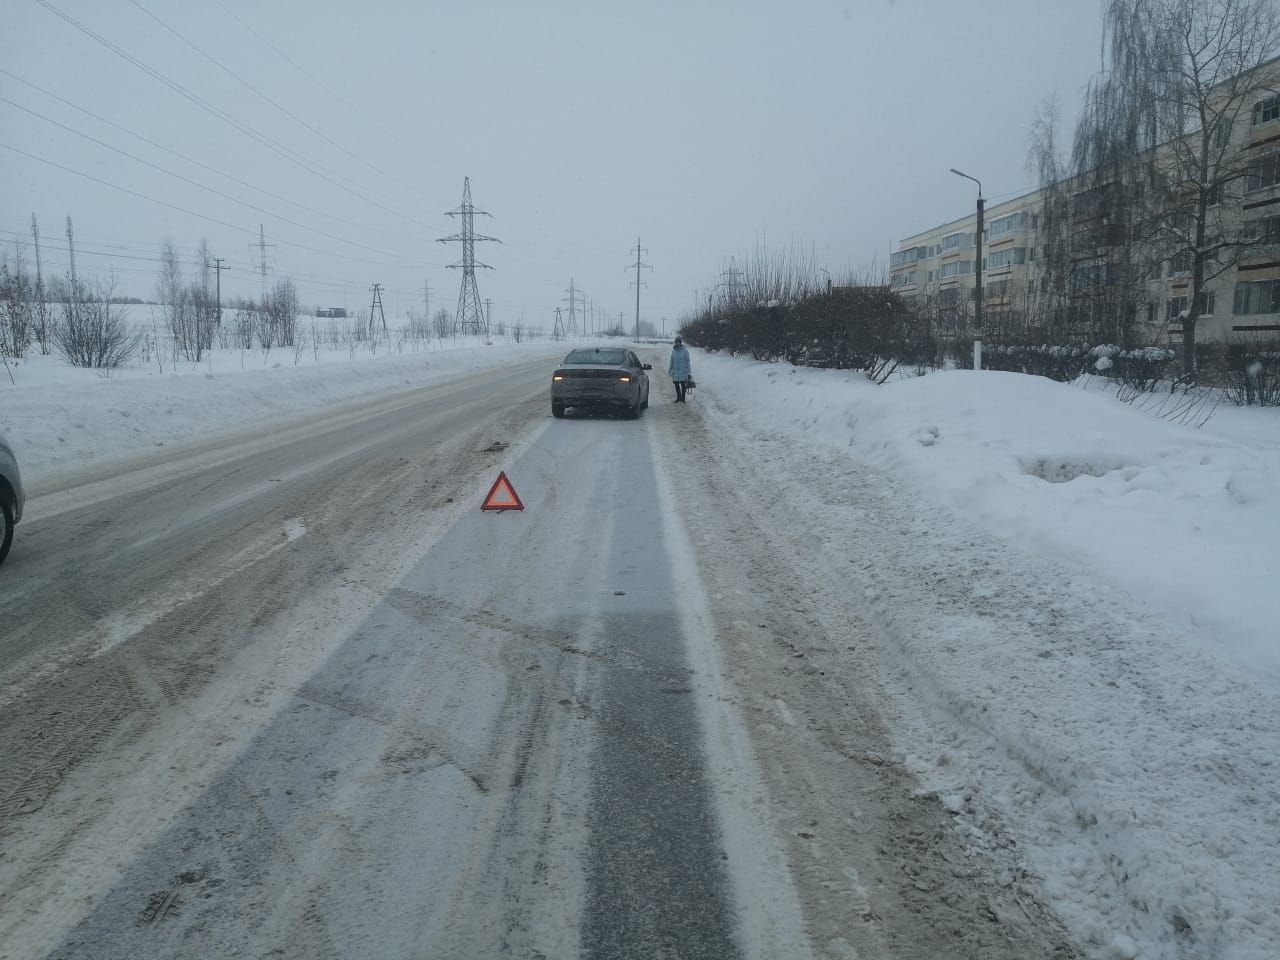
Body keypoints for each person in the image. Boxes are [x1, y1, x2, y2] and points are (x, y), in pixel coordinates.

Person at [668, 335, 693, 403]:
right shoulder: (673, 352)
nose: (677, 343)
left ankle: (683, 398)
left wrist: (688, 372)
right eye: (676, 342)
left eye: (678, 342)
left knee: (683, 385)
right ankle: (678, 398)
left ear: (680, 342)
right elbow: (671, 362)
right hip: (675, 372)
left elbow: (688, 361)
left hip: (683, 371)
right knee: (676, 385)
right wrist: (670, 370)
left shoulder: (685, 351)